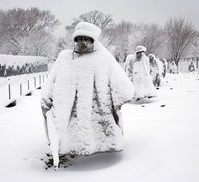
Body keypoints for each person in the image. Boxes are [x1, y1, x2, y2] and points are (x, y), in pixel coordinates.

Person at [41, 22, 134, 169]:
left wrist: (120, 96)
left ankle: (96, 160)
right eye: (80, 39)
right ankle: (68, 153)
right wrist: (46, 96)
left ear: (92, 41)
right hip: (71, 110)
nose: (83, 42)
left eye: (86, 39)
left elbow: (123, 84)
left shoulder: (103, 57)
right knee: (70, 137)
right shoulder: (65, 58)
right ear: (76, 41)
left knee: (96, 135)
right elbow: (51, 80)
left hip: (96, 110)